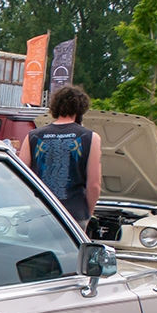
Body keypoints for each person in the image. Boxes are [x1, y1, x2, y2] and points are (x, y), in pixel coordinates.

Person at [19, 85, 101, 226]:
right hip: (74, 214)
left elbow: (20, 178)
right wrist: (88, 213)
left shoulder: (33, 136)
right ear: (80, 109)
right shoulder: (91, 137)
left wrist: (30, 205)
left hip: (39, 213)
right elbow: (94, 184)